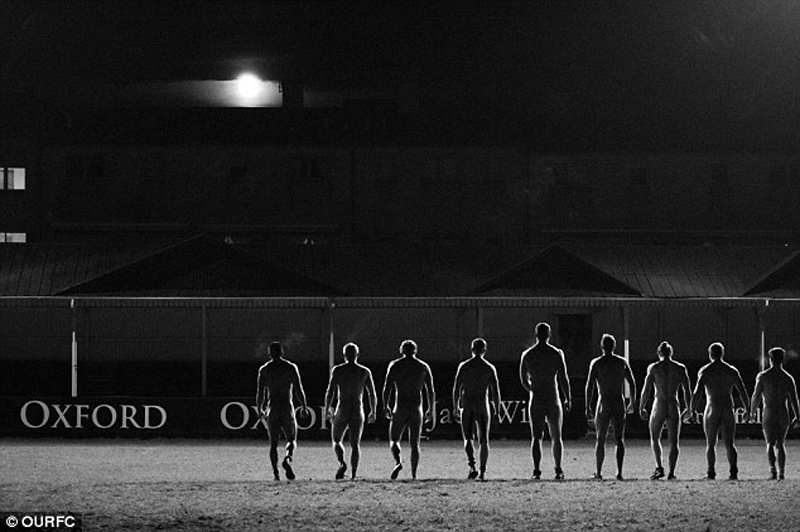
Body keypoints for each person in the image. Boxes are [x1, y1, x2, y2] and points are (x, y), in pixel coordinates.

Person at [519, 322, 572, 480]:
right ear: (549, 335)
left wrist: (532, 389)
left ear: (536, 335)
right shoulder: (556, 353)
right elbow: (563, 377)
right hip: (552, 396)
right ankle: (558, 469)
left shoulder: (528, 354)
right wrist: (568, 397)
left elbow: (523, 379)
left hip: (536, 397)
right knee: (556, 435)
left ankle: (536, 470)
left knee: (536, 436)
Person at [690, 342, 750, 480]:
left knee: (711, 443)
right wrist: (747, 409)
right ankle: (733, 471)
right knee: (730, 443)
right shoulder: (731, 370)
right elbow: (742, 391)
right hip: (727, 407)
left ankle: (711, 472)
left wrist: (692, 409)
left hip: (713, 407)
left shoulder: (705, 371)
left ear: (710, 354)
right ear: (722, 353)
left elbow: (697, 392)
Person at [585, 334, 637, 480]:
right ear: (614, 346)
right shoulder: (621, 362)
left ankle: (599, 472)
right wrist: (632, 402)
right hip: (618, 401)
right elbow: (632, 382)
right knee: (619, 438)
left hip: (604, 402)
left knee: (600, 438)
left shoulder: (597, 363)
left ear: (602, 346)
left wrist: (587, 405)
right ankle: (619, 472)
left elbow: (589, 386)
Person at [256, 341, 310, 481]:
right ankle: (288, 457)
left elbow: (260, 392)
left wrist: (259, 408)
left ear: (269, 353)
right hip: (287, 407)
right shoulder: (290, 367)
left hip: (273, 407)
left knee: (273, 443)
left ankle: (276, 472)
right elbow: (299, 389)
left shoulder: (265, 369)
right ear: (282, 352)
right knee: (291, 439)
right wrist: (304, 406)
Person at [382, 339, 436, 480]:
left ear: (401, 351)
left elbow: (387, 387)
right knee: (415, 443)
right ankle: (413, 474)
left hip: (400, 406)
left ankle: (398, 462)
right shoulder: (423, 367)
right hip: (416, 408)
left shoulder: (395, 366)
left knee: (394, 439)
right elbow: (430, 390)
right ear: (415, 351)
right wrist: (431, 408)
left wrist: (385, 405)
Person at [324, 342, 378, 480]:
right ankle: (353, 475)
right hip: (357, 408)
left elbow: (330, 391)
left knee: (336, 440)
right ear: (357, 355)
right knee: (355, 444)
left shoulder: (338, 370)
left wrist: (328, 408)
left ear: (344, 356)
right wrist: (373, 410)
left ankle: (342, 463)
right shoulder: (364, 371)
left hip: (342, 406)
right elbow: (372, 393)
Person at [639, 341, 692, 480]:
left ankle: (659, 467)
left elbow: (646, 389)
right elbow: (687, 390)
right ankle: (671, 472)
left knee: (655, 437)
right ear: (671, 353)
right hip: (673, 402)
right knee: (674, 442)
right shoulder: (680, 368)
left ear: (659, 353)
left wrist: (641, 406)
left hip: (660, 403)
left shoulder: (655, 367)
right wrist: (689, 407)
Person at [452, 338, 502, 480]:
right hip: (482, 402)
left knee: (468, 437)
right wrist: (497, 411)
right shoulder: (489, 367)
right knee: (484, 439)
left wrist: (455, 406)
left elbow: (456, 388)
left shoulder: (464, 366)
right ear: (485, 350)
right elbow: (496, 392)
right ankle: (483, 471)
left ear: (472, 349)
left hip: (468, 402)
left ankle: (472, 464)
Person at [750, 347, 800, 480]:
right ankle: (782, 472)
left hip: (769, 411)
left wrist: (752, 412)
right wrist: (797, 416)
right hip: (783, 411)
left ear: (770, 359)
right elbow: (794, 399)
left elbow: (756, 396)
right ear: (782, 360)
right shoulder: (788, 378)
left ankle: (772, 471)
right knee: (781, 443)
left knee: (770, 443)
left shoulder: (763, 376)